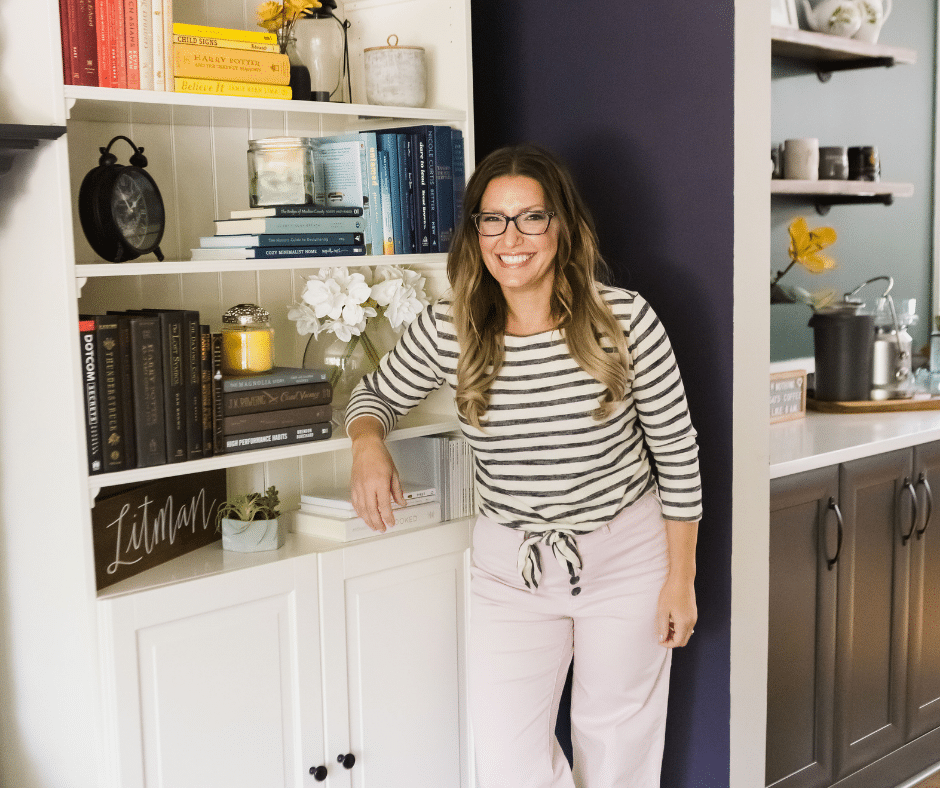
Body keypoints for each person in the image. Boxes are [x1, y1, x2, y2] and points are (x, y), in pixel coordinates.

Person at [344, 143, 701, 788]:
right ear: (475, 232)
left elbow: (677, 455)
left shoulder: (625, 320)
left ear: (561, 228)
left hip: (627, 560)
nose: (511, 237)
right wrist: (368, 445)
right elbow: (372, 396)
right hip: (509, 570)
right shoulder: (450, 328)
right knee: (507, 757)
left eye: (531, 218)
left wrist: (682, 577)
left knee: (618, 744)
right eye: (493, 220)